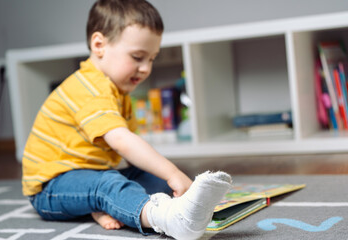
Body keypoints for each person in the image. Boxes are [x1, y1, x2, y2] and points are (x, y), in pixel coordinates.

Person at [22, 0, 232, 239]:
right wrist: (172, 173)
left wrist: (172, 182)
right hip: (52, 188)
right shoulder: (88, 88)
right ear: (99, 45)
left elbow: (126, 157)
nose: (145, 69)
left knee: (151, 180)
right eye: (137, 57)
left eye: (152, 59)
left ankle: (106, 205)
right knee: (109, 184)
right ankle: (166, 219)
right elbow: (122, 141)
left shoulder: (118, 93)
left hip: (94, 172)